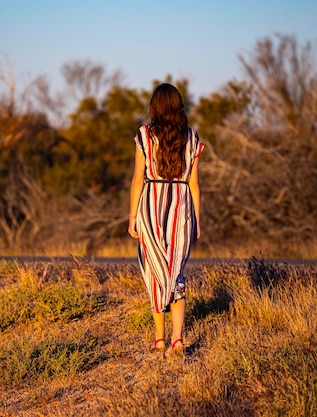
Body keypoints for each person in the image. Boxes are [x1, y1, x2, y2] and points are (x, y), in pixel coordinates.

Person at [128, 83, 203, 358]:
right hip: (182, 208)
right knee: (176, 273)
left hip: (150, 204)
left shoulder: (144, 135)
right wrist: (197, 220)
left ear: (155, 107)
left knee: (154, 272)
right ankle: (177, 340)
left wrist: (133, 217)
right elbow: (194, 183)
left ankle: (160, 339)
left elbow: (137, 179)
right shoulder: (191, 137)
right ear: (179, 105)